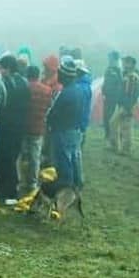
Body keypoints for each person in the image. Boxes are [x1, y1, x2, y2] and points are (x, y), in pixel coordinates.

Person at [0, 54, 30, 201]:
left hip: (6, 125)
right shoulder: (23, 82)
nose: (0, 70)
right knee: (13, 156)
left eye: (2, 67)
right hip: (20, 124)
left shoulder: (4, 83)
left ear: (8, 68)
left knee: (7, 157)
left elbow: (1, 103)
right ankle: (4, 186)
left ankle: (9, 190)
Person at [47, 57, 84, 188]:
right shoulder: (78, 90)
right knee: (74, 158)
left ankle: (66, 186)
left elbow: (52, 113)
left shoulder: (65, 93)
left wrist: (49, 122)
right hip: (75, 130)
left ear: (66, 76)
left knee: (64, 161)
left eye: (60, 74)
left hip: (62, 131)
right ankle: (77, 183)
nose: (58, 76)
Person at [19, 66, 52, 193]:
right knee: (35, 156)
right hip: (38, 127)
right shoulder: (47, 90)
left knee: (21, 155)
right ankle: (32, 183)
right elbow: (49, 107)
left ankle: (21, 181)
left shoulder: (24, 88)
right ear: (38, 75)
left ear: (27, 75)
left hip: (23, 126)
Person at [108, 55, 139, 155]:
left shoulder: (132, 77)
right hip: (122, 104)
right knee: (119, 125)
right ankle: (117, 146)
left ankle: (125, 149)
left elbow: (132, 94)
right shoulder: (126, 75)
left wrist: (127, 107)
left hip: (126, 106)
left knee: (125, 127)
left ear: (131, 64)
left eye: (126, 62)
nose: (124, 64)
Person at [101, 51, 123, 140]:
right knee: (106, 116)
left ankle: (112, 135)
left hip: (114, 97)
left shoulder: (118, 69)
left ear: (114, 58)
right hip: (107, 96)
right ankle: (108, 134)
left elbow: (120, 83)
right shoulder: (108, 68)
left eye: (110, 57)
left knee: (111, 117)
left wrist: (117, 96)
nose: (109, 59)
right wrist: (103, 90)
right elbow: (106, 82)